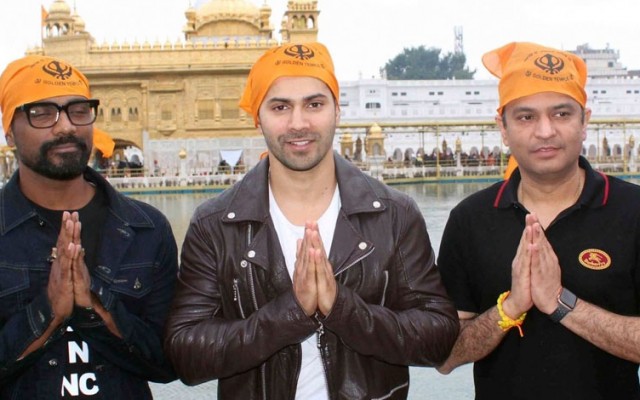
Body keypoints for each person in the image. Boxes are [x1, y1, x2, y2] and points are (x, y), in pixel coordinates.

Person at [165, 42, 459, 399]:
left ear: (337, 111)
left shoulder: (393, 214)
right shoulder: (216, 224)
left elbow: (439, 337)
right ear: (257, 117)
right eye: (280, 107)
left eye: (314, 104)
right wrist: (291, 313)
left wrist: (343, 310)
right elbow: (185, 355)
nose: (298, 123)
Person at [436, 41, 640, 399]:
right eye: (526, 117)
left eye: (561, 114)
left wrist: (561, 303)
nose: (545, 131)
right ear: (502, 128)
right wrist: (511, 307)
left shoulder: (632, 211)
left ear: (585, 121)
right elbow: (445, 355)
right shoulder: (470, 220)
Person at [0, 55, 178, 398]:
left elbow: (169, 364)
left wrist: (96, 306)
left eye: (78, 111)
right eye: (42, 113)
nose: (65, 126)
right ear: (9, 132)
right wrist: (48, 312)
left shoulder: (146, 229)